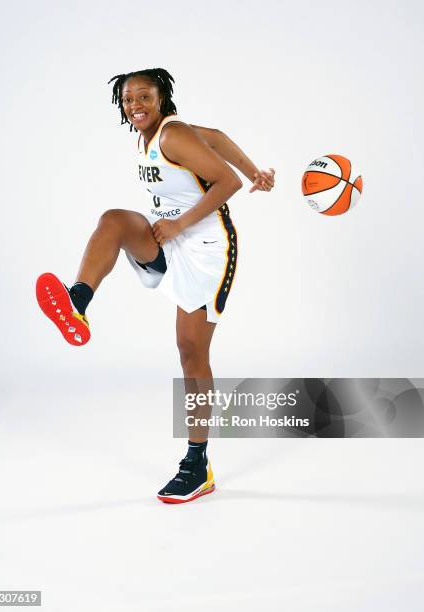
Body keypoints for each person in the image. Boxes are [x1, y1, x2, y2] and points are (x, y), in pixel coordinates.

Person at [36, 68, 275, 504]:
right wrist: (258, 169)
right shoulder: (150, 136)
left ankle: (197, 462)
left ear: (162, 97)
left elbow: (227, 182)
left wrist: (192, 214)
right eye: (128, 100)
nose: (135, 105)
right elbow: (217, 138)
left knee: (190, 351)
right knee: (114, 221)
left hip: (207, 249)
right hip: (170, 238)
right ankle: (77, 302)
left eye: (143, 96)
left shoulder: (172, 134)